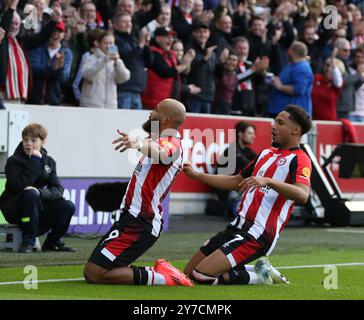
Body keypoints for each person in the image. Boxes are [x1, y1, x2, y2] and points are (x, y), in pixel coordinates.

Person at [183, 105, 312, 286]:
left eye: (280, 123)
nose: (273, 126)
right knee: (187, 274)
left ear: (296, 130)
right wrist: (197, 175)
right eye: (274, 121)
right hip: (237, 226)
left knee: (201, 275)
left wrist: (269, 181)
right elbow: (236, 181)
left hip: (258, 234)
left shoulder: (300, 159)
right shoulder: (266, 153)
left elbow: (303, 194)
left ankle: (258, 277)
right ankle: (259, 269)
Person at [83, 98, 193, 287]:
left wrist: (139, 143)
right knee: (95, 270)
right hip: (132, 219)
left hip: (141, 221)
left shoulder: (172, 144)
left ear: (165, 119)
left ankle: (164, 278)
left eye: (156, 109)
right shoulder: (158, 141)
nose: (151, 112)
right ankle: (158, 273)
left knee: (95, 273)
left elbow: (163, 153)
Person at [0, 123, 75, 253]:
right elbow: (20, 186)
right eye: (25, 140)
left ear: (43, 142)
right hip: (14, 208)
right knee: (30, 195)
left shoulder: (49, 162)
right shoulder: (13, 161)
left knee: (68, 206)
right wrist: (34, 161)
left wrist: (40, 192)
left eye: (33, 140)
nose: (28, 143)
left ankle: (52, 242)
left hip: (37, 205)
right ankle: (28, 242)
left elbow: (57, 189)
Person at [79, 31, 130, 108]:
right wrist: (103, 61)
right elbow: (87, 75)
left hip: (110, 105)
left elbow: (124, 78)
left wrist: (118, 62)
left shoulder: (116, 61)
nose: (109, 46)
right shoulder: (90, 58)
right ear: (98, 44)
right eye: (105, 43)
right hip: (91, 104)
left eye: (111, 43)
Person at [27, 21, 73, 105]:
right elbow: (33, 68)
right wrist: (53, 68)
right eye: (53, 30)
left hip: (54, 101)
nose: (55, 33)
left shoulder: (67, 53)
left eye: (59, 31)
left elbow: (64, 78)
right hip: (33, 100)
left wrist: (60, 68)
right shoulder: (36, 48)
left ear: (64, 35)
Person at [268, 41, 314, 117]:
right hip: (283, 111)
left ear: (291, 52)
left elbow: (299, 89)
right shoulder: (291, 65)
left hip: (294, 115)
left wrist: (280, 86)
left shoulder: (303, 68)